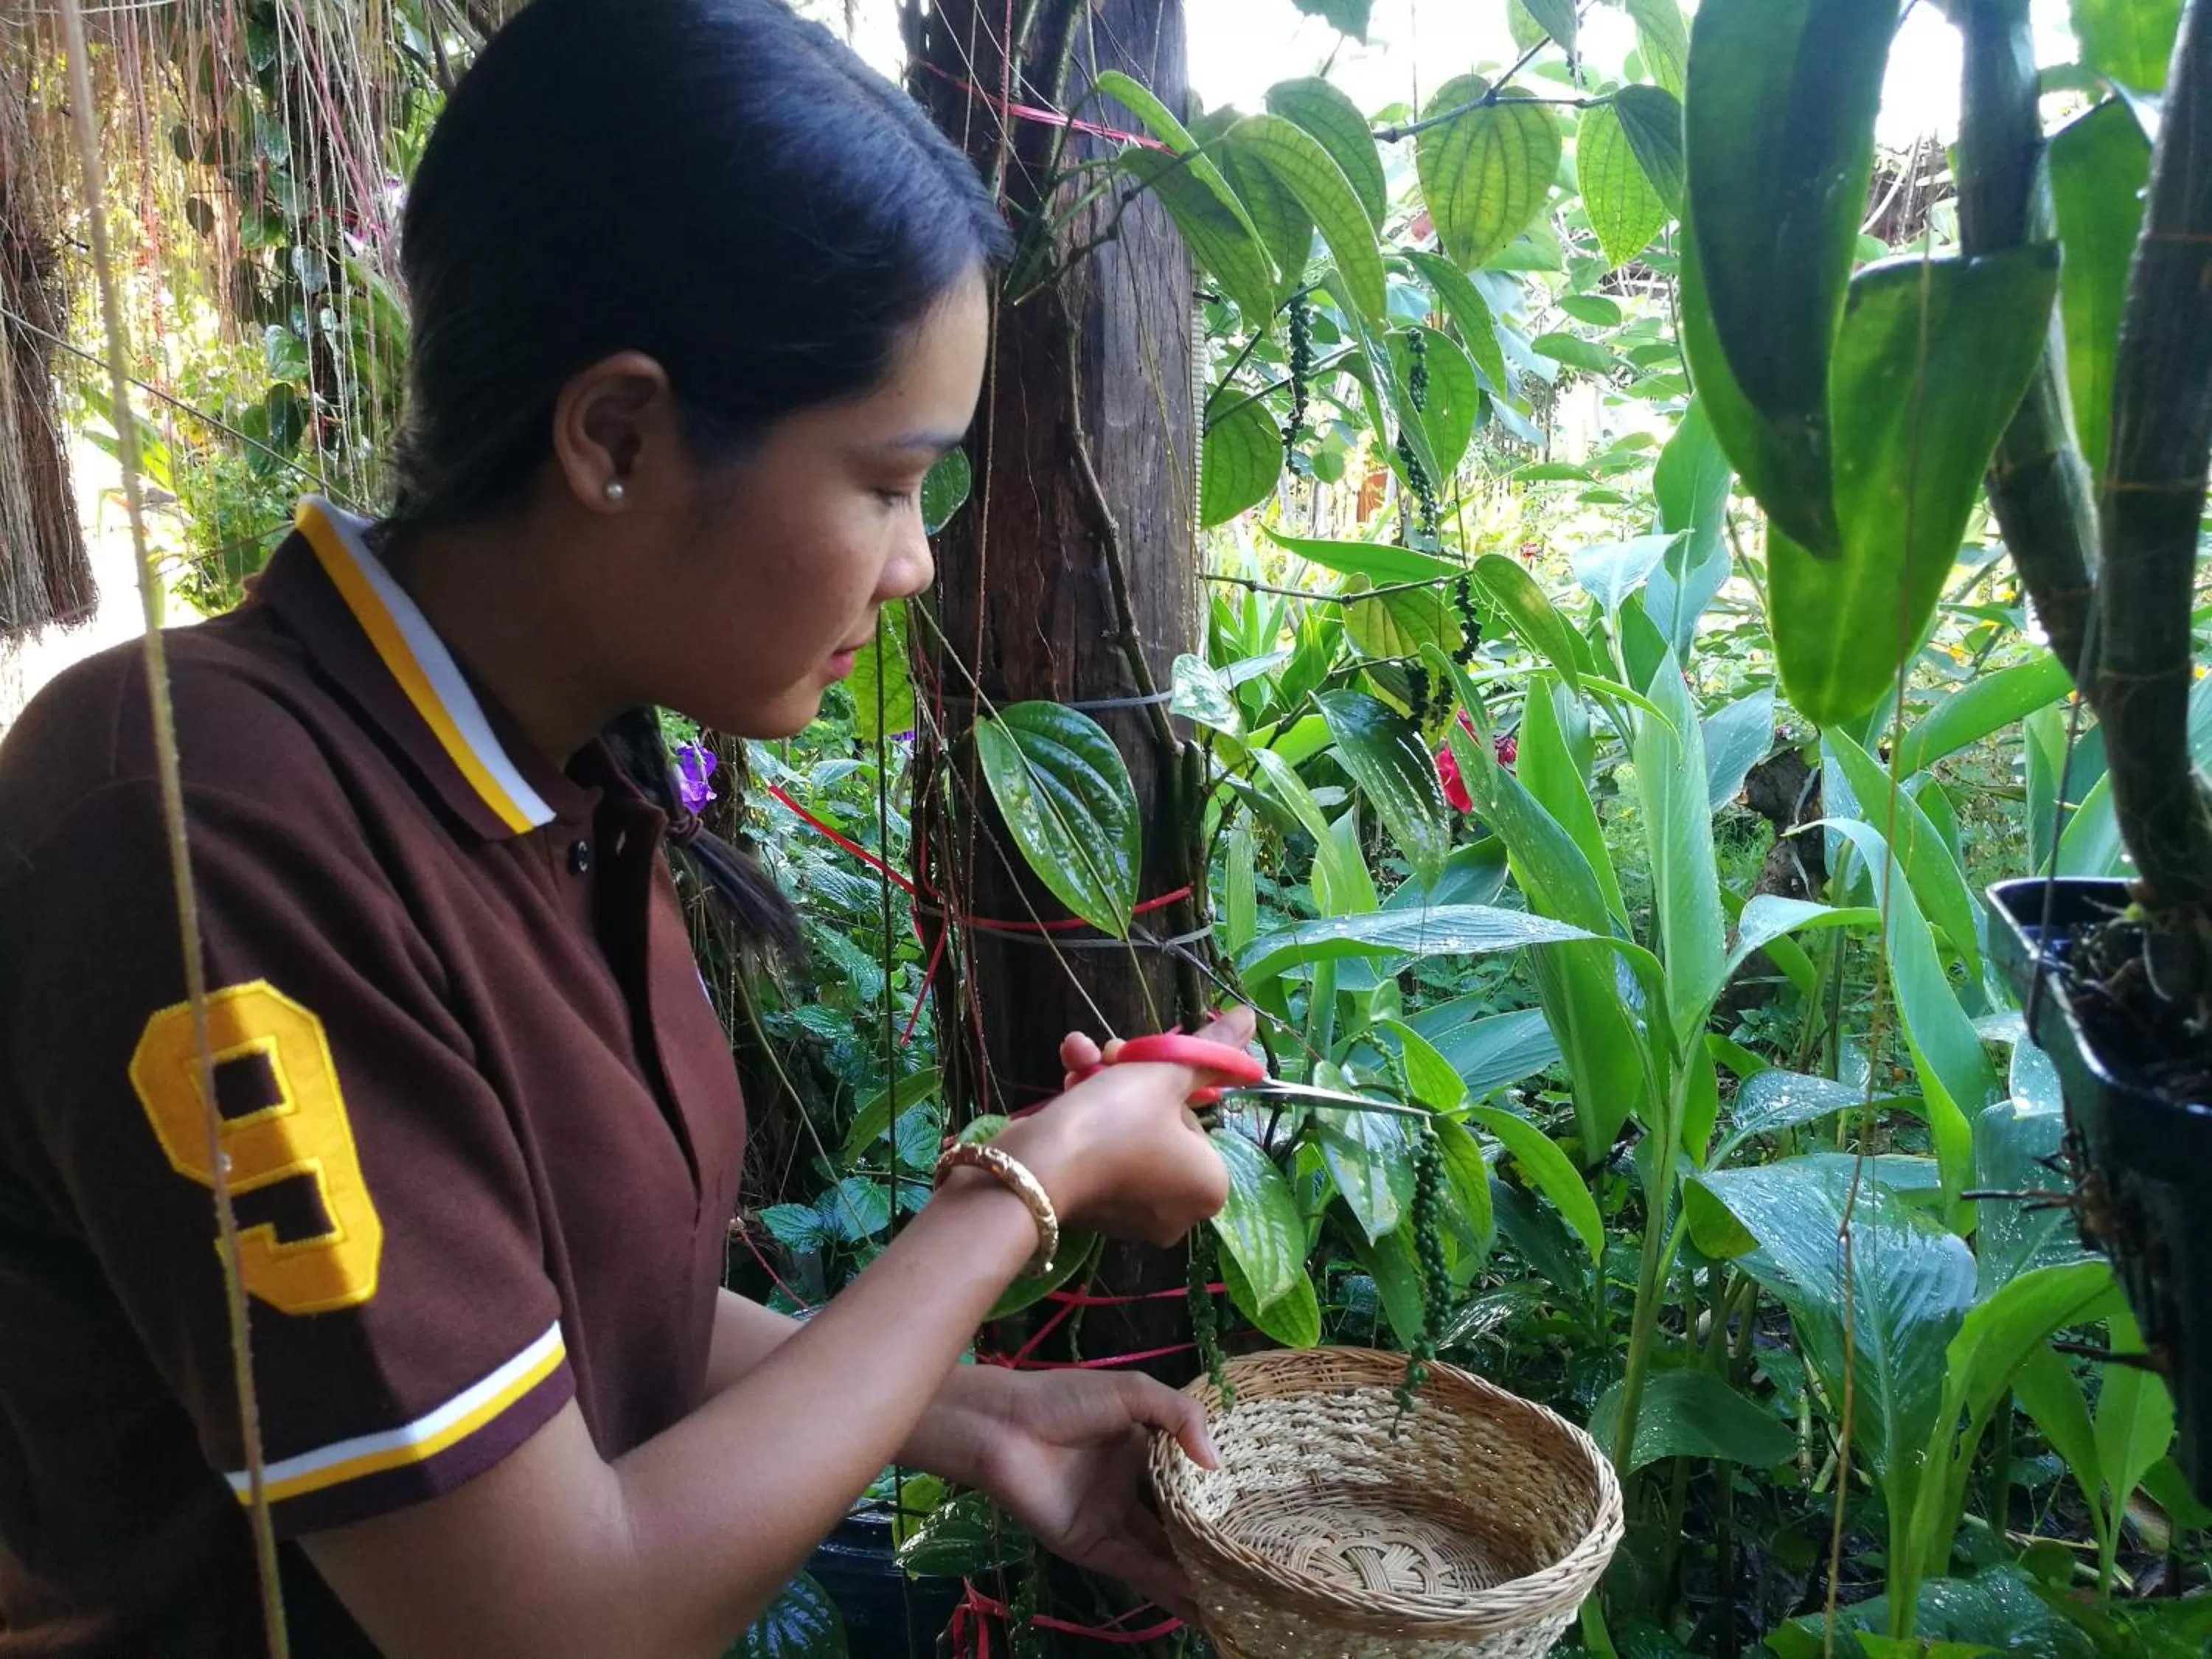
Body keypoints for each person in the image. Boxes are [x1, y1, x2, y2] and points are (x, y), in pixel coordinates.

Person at [0, 2, 1248, 1653]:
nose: (917, 564)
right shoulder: (199, 822)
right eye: (886, 482)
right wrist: (1025, 1185)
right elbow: (555, 1621)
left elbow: (555, 1336)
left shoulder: (560, 782)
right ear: (617, 438)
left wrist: (968, 1415)